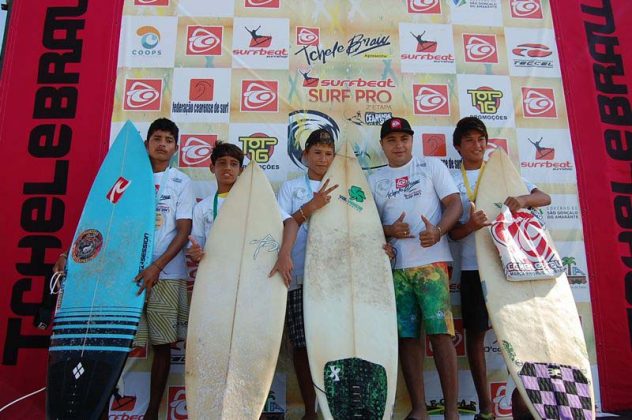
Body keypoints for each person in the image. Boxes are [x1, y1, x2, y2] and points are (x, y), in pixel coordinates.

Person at [448, 117, 550, 420]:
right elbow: (452, 234)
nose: (477, 145)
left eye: (481, 139)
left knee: (519, 334)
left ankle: (526, 399)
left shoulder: (503, 171)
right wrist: (470, 225)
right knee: (476, 336)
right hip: (471, 268)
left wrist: (521, 199)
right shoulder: (452, 182)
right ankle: (486, 408)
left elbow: (544, 197)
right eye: (469, 140)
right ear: (458, 146)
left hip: (510, 266)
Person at [368, 117, 463, 420]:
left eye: (404, 139)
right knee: (407, 338)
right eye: (392, 141)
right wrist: (387, 230)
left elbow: (455, 205)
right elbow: (365, 225)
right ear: (382, 145)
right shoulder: (373, 179)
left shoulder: (431, 166)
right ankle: (419, 409)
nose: (399, 145)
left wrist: (437, 231)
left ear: (412, 141)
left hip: (432, 264)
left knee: (440, 335)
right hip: (395, 269)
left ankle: (451, 411)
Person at [270, 128, 339, 419]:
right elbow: (287, 223)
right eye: (317, 152)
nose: (322, 159)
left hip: (335, 280)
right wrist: (284, 254)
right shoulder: (290, 188)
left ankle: (333, 408)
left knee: (333, 344)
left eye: (328, 153)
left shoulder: (344, 186)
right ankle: (311, 410)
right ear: (304, 155)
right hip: (299, 276)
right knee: (301, 344)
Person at [186, 142, 245, 263]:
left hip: (247, 272)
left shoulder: (254, 200)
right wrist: (195, 254)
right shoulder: (202, 207)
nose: (228, 167)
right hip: (215, 274)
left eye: (234, 164)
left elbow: (287, 221)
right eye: (222, 163)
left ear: (241, 170)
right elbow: (197, 249)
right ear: (212, 168)